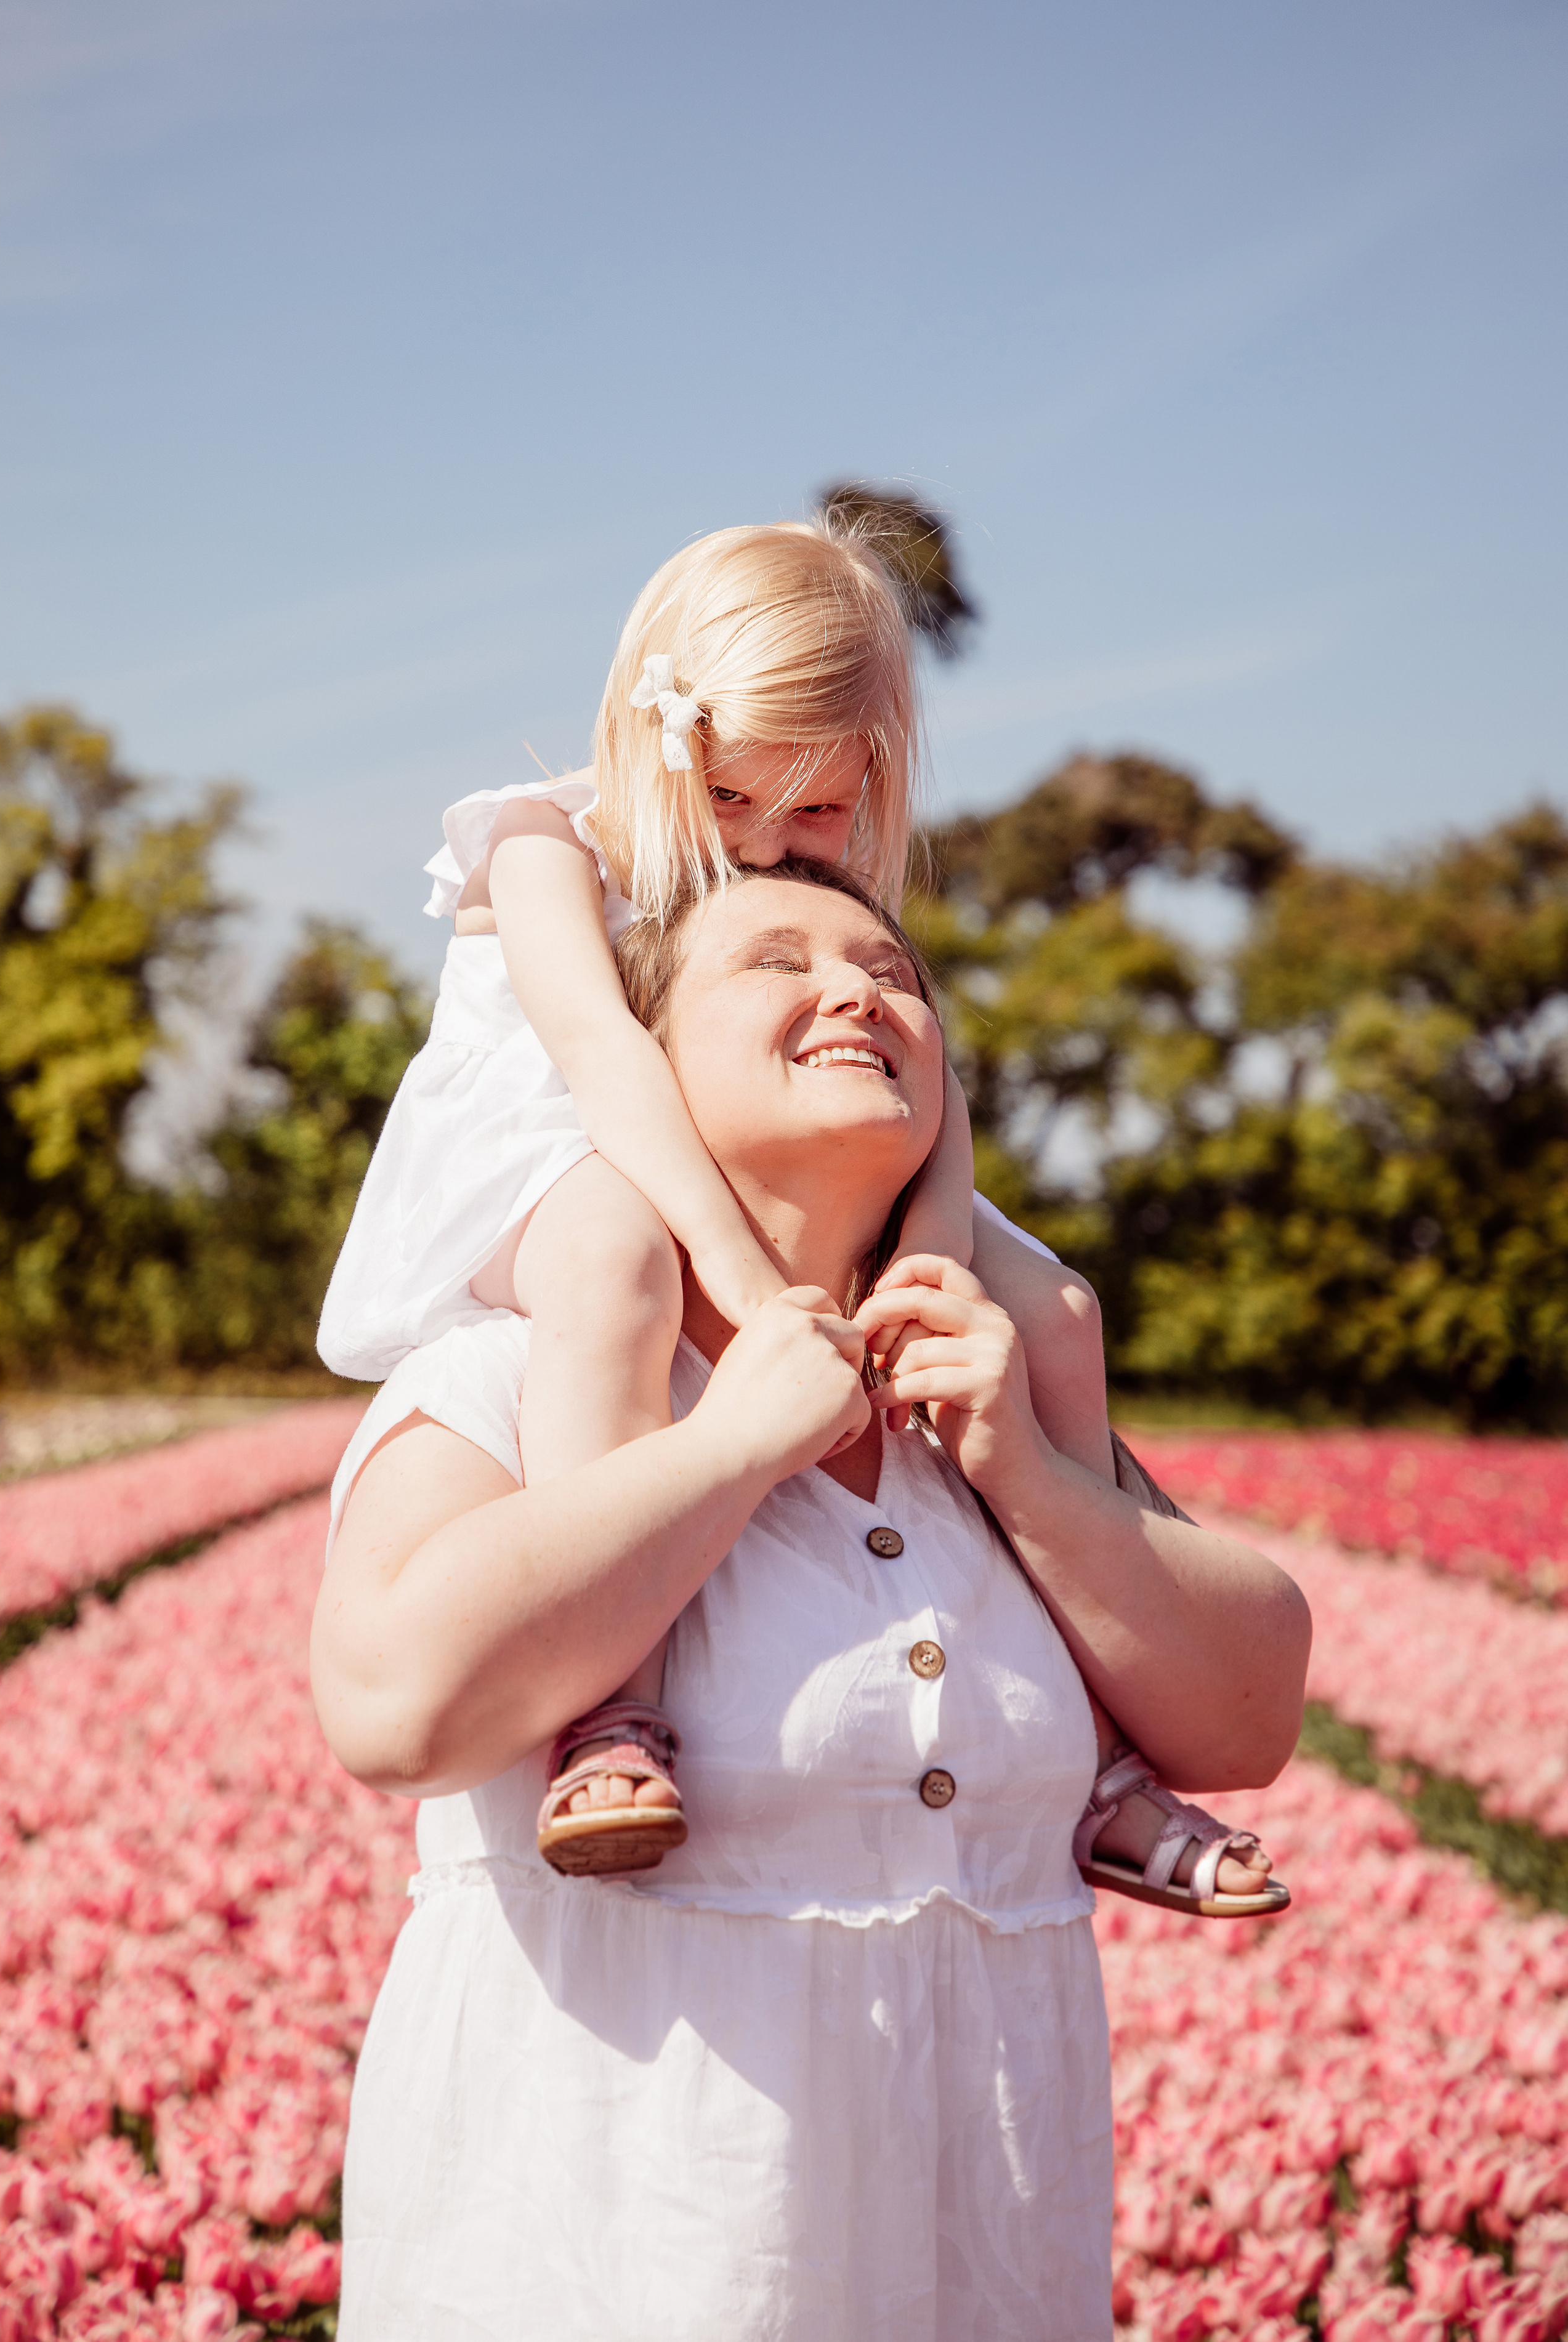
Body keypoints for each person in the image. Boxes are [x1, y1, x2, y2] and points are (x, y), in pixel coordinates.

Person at [312, 858, 1312, 2339]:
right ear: (641, 1072)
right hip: (605, 2271)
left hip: (972, 2277)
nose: (855, 988)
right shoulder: (509, 1381)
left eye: (893, 972)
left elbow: (1249, 1710)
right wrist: (730, 1445)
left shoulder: (987, 1404)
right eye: (772, 959)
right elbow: (397, 1707)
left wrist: (1025, 1474)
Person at [317, 518, 1285, 1914]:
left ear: (873, 779)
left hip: (702, 1160)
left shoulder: (834, 907)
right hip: (555, 1146)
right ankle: (612, 1717)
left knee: (1057, 1311)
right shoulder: (540, 844)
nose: (772, 846)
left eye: (818, 812)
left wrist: (932, 1270)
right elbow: (606, 1061)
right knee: (614, 1265)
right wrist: (749, 1286)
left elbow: (937, 1109)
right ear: (654, 741)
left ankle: (1111, 1766)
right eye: (730, 801)